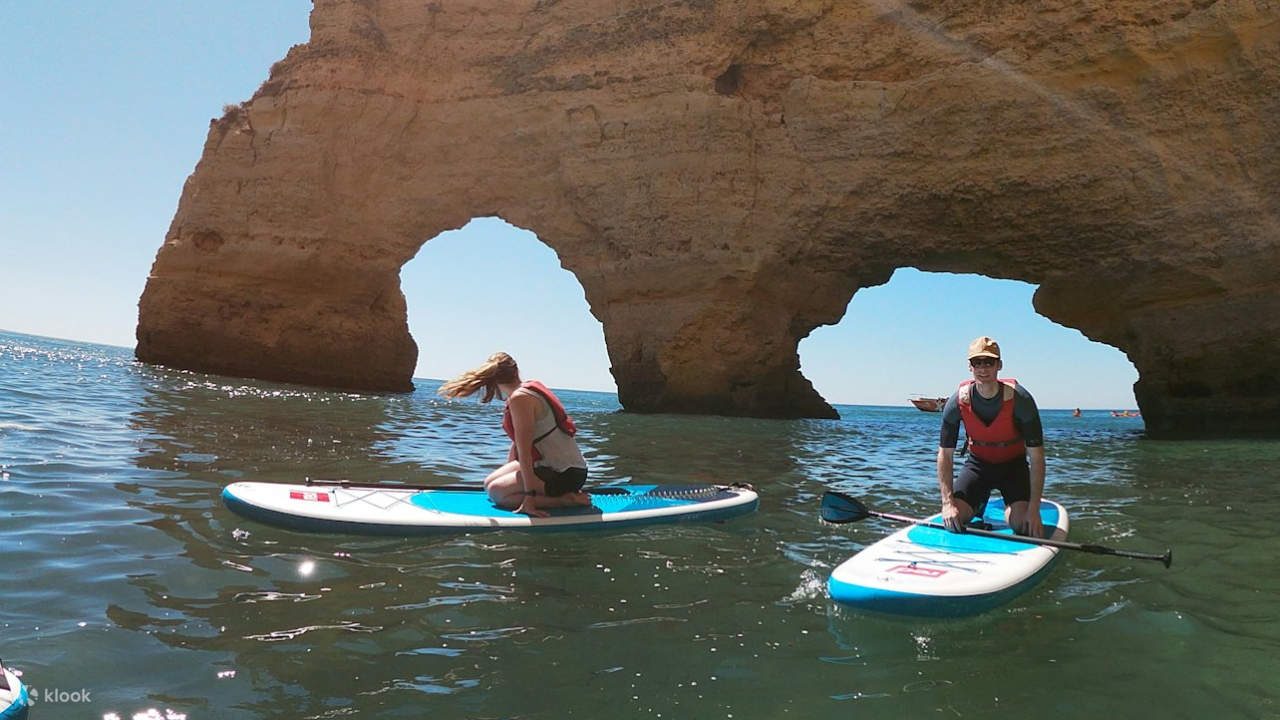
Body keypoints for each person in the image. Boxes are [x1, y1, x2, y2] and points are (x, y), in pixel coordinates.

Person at [438, 352, 590, 517]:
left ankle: (564, 500)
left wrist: (529, 498)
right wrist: (510, 476)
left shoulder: (521, 399)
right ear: (516, 371)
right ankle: (549, 492)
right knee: (489, 484)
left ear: (493, 380)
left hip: (565, 474)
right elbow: (518, 444)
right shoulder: (528, 389)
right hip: (552, 466)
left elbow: (525, 452)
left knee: (497, 493)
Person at [936, 336, 1046, 538]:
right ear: (970, 367)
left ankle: (1013, 507)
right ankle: (977, 501)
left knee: (1023, 526)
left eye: (989, 362)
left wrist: (1034, 510)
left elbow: (1037, 457)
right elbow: (945, 454)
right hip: (978, 466)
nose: (983, 368)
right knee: (955, 519)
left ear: (999, 365)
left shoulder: (1021, 399)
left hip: (1013, 467)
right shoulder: (957, 402)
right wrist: (947, 503)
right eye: (977, 362)